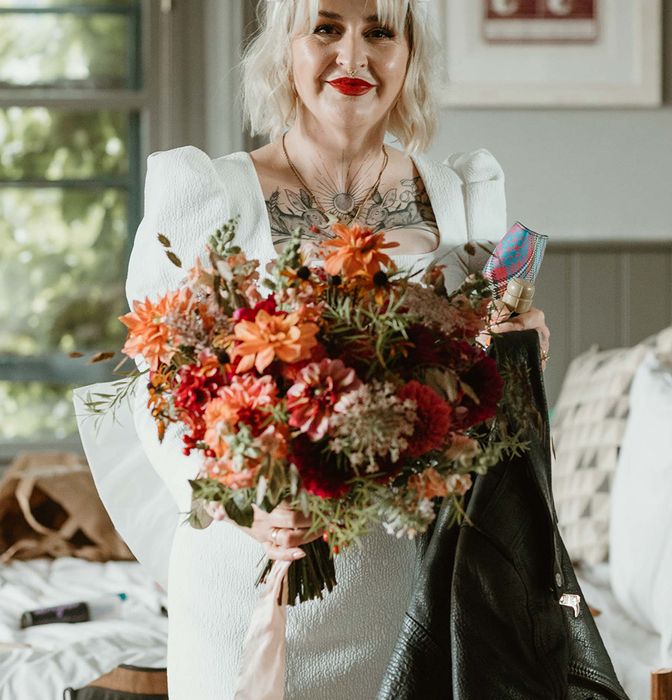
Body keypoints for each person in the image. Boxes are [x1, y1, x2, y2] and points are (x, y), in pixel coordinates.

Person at [80, 0, 550, 697]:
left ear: (410, 52)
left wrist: (519, 348)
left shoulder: (460, 200)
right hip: (246, 583)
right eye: (326, 28)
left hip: (411, 593)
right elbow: (160, 387)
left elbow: (485, 400)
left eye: (380, 32)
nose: (354, 58)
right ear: (285, 51)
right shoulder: (206, 196)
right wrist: (244, 504)